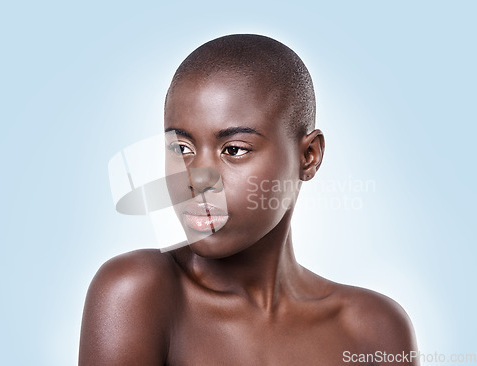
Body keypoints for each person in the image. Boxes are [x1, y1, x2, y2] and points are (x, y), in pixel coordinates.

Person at [79, 34, 419, 365]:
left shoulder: (374, 330)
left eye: (234, 150)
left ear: (309, 156)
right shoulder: (138, 293)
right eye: (181, 148)